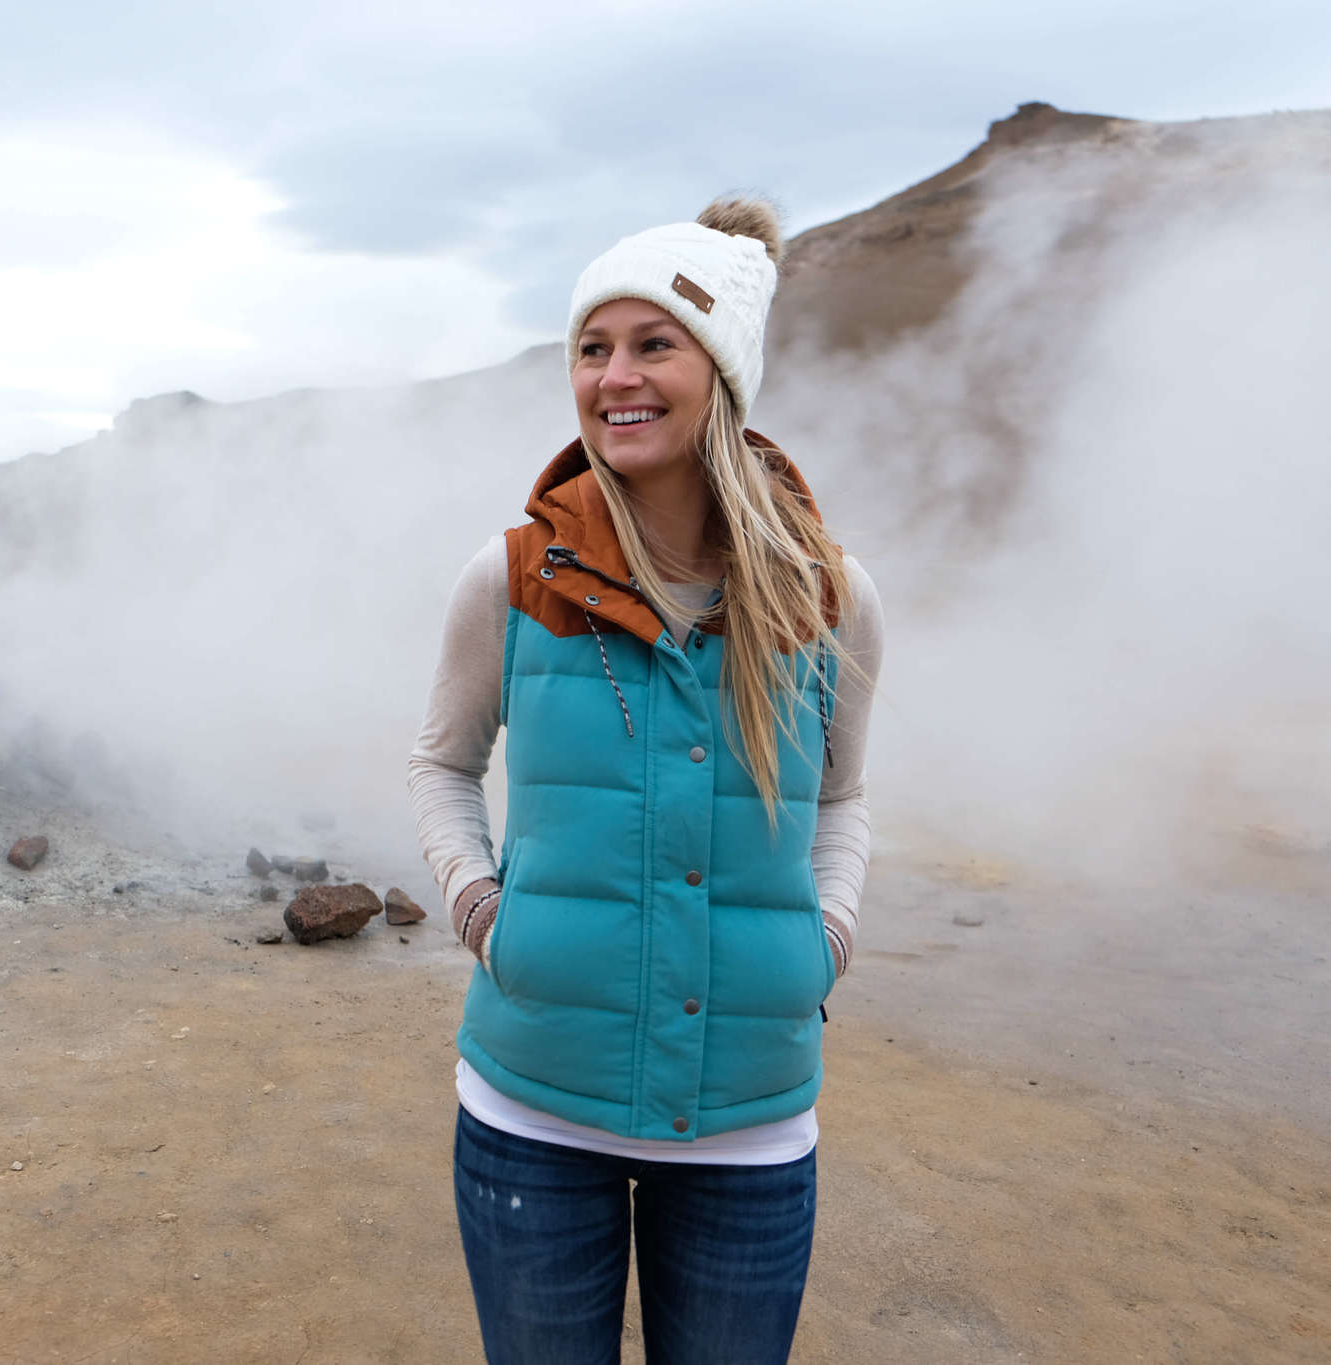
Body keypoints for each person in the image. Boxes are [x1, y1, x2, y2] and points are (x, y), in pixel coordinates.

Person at [407, 195, 884, 1365]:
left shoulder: (829, 597)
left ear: (720, 373)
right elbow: (441, 765)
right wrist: (482, 912)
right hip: (530, 1110)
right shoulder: (512, 576)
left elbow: (839, 799)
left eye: (652, 344)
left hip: (748, 1132)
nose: (613, 376)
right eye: (591, 347)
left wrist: (822, 937)